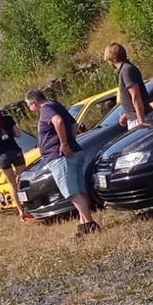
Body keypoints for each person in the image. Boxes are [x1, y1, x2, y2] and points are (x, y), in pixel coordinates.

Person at [24, 88, 99, 235]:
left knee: (71, 193)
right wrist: (71, 141)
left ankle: (90, 223)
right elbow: (74, 124)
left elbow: (57, 121)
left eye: (29, 106)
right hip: (74, 153)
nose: (30, 109)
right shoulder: (55, 105)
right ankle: (83, 223)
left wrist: (64, 143)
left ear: (34, 103)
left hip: (60, 157)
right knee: (79, 190)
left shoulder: (46, 109)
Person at [0, 99, 30, 220]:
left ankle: (20, 210)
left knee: (12, 184)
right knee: (22, 179)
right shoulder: (8, 119)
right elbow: (18, 134)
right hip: (15, 151)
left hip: (3, 156)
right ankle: (28, 205)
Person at [105, 41, 153, 129]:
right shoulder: (125, 69)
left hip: (141, 119)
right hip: (137, 118)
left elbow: (136, 96)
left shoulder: (126, 70)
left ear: (111, 58)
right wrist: (127, 114)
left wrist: (141, 122)